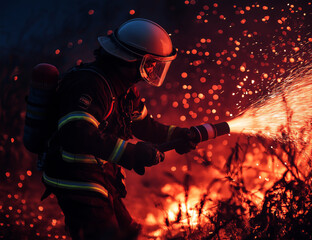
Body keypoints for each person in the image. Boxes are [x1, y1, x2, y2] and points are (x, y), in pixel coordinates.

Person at [41, 18, 196, 240]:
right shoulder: (90, 84)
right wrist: (130, 153)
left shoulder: (123, 89)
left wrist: (178, 134)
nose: (152, 69)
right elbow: (76, 134)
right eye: (150, 63)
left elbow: (144, 126)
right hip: (75, 178)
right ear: (132, 59)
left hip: (100, 177)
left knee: (128, 233)